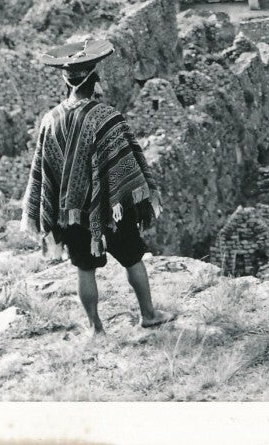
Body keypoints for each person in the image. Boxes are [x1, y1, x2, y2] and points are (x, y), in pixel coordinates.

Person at [21, 39, 177, 332]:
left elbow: (44, 169)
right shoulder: (107, 117)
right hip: (111, 204)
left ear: (66, 82)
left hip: (72, 210)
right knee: (132, 258)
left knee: (84, 268)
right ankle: (148, 315)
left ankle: (96, 329)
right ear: (95, 80)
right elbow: (127, 160)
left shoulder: (50, 120)